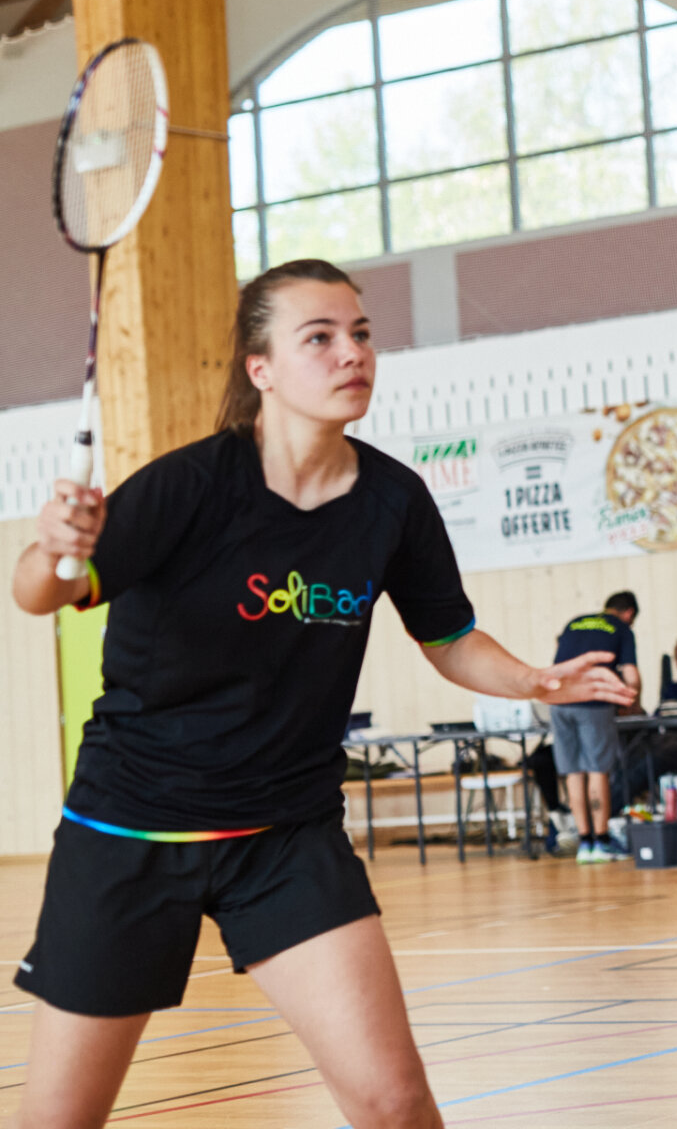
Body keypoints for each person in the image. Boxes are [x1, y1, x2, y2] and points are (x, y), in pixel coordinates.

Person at [8, 259, 633, 1129]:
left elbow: (448, 638)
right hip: (133, 830)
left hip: (285, 835)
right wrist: (53, 548)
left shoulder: (393, 501)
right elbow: (40, 592)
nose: (352, 353)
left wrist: (534, 679)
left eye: (361, 334)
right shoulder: (191, 486)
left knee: (395, 1104)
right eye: (321, 337)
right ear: (260, 368)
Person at [551, 593, 643, 862]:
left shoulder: (575, 622)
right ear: (629, 613)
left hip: (559, 701)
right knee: (597, 770)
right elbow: (631, 675)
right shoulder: (621, 628)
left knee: (573, 772)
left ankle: (584, 844)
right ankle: (602, 841)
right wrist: (633, 702)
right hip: (592, 701)